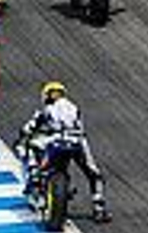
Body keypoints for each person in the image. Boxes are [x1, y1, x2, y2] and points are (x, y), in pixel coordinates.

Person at [17, 82, 109, 222]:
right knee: (93, 173)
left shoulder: (45, 110)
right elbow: (79, 128)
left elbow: (27, 129)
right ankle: (99, 207)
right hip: (77, 143)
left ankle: (35, 174)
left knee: (29, 145)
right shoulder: (74, 108)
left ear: (46, 96)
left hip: (55, 141)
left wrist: (22, 139)